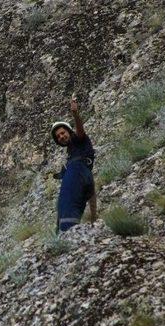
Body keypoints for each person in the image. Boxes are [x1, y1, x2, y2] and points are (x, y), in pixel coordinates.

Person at [51, 96, 97, 232]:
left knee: (66, 208)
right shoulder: (71, 152)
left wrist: (75, 114)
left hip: (78, 174)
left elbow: (81, 131)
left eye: (62, 133)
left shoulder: (78, 140)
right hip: (84, 176)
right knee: (67, 210)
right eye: (58, 136)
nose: (61, 137)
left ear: (69, 131)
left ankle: (65, 237)